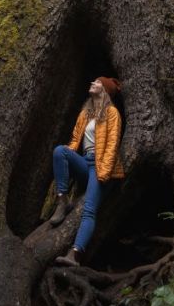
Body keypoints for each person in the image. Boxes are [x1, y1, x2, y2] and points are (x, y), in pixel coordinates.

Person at [50, 75, 125, 266]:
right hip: (85, 161)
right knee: (60, 151)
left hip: (100, 166)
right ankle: (62, 199)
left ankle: (75, 254)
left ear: (105, 90)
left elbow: (112, 144)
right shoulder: (85, 114)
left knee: (89, 210)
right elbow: (75, 139)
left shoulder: (112, 113)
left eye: (98, 82)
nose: (92, 83)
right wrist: (70, 154)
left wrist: (104, 172)